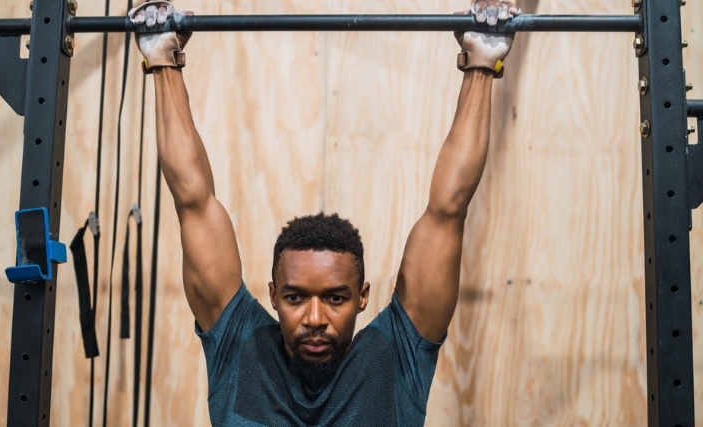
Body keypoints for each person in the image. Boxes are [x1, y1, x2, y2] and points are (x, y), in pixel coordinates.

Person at [130, 1, 520, 425]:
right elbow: (192, 199)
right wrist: (161, 56)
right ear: (274, 295)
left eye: (336, 298)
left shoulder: (395, 356)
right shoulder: (239, 345)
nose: (315, 319)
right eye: (296, 297)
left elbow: (448, 208)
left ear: (362, 297)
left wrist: (482, 59)